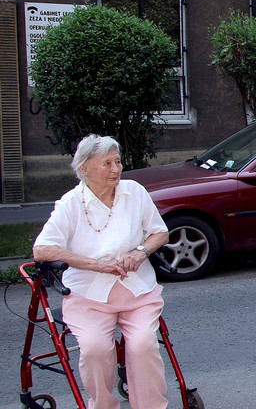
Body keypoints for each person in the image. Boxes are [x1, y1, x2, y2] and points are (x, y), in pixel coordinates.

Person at [32, 135, 170, 409]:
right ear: (84, 169)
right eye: (106, 163)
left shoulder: (134, 192)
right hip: (88, 295)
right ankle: (103, 405)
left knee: (143, 346)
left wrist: (140, 252)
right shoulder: (71, 203)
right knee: (95, 350)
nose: (115, 169)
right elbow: (42, 250)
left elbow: (160, 232)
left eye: (117, 161)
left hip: (137, 289)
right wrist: (94, 264)